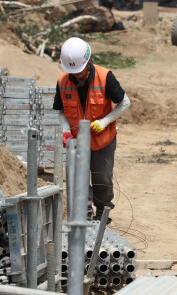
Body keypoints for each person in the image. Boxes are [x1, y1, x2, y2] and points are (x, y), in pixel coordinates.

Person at [53, 37, 130, 222]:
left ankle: (103, 214)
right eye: (73, 72)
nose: (77, 76)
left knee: (102, 177)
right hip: (78, 139)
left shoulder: (105, 77)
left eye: (79, 71)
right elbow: (61, 111)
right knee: (79, 178)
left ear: (88, 62)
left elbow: (125, 102)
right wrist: (65, 131)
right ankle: (84, 213)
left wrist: (104, 122)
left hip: (103, 139)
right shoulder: (63, 81)